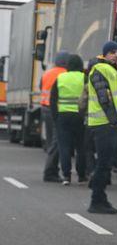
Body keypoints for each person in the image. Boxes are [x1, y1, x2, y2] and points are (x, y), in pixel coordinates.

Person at [86, 41, 117, 214]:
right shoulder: (100, 70)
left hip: (109, 123)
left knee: (106, 163)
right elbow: (105, 98)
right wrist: (114, 121)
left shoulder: (113, 69)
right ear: (104, 55)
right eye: (112, 52)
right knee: (103, 164)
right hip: (104, 124)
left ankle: (101, 199)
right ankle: (96, 201)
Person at [50, 54, 86, 186]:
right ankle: (81, 175)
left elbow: (53, 100)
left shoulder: (60, 78)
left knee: (64, 147)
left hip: (63, 117)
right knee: (81, 146)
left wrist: (56, 118)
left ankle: (66, 175)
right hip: (80, 116)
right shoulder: (85, 78)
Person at [41, 51, 70, 182]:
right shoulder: (64, 74)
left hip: (44, 108)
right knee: (57, 142)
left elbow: (41, 87)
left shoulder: (47, 73)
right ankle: (50, 172)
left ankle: (52, 169)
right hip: (56, 110)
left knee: (50, 142)